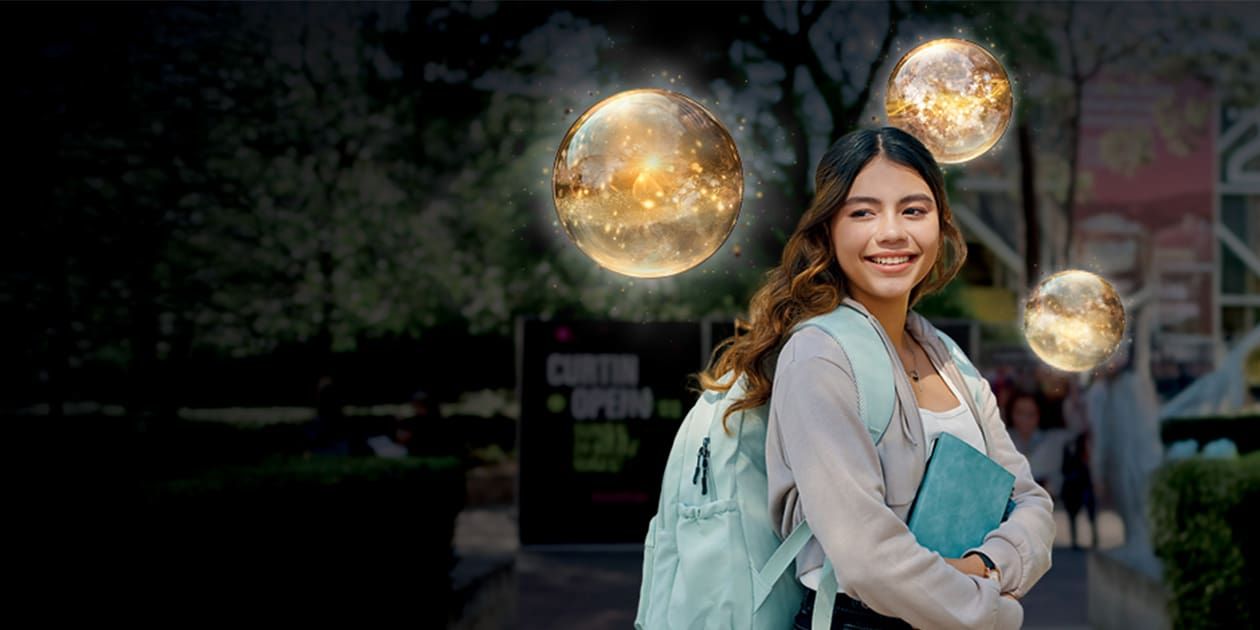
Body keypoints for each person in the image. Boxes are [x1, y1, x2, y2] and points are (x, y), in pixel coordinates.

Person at [697, 127, 1054, 629]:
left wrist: (986, 566)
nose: (892, 232)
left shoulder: (946, 355)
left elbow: (1030, 502)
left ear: (941, 224)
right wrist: (989, 609)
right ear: (828, 231)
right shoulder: (818, 356)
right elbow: (866, 559)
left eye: (913, 210)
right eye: (863, 212)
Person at [1060, 430, 1098, 549]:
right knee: (1073, 515)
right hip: (1074, 487)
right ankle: (1075, 540)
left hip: (1085, 486)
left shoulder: (1088, 449)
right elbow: (1064, 469)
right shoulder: (1072, 449)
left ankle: (1093, 538)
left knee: (1089, 513)